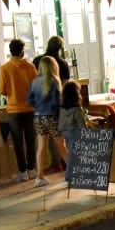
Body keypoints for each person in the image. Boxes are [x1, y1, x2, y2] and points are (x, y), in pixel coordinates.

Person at [0, 38, 39, 182]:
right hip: (30, 108)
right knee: (30, 140)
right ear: (22, 51)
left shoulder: (4, 68)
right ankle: (32, 169)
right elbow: (36, 87)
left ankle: (22, 172)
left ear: (10, 51)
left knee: (18, 141)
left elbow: (2, 90)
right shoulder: (31, 67)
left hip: (13, 110)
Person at [28, 55, 66, 188]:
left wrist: (39, 107)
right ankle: (74, 172)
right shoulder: (55, 81)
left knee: (41, 146)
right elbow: (57, 102)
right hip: (52, 116)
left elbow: (30, 100)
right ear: (53, 66)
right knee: (60, 144)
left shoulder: (35, 82)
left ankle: (39, 177)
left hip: (38, 117)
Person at [57, 79, 89, 184]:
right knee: (72, 154)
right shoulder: (77, 108)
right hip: (74, 131)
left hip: (64, 130)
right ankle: (70, 175)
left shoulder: (62, 106)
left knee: (71, 152)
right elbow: (81, 123)